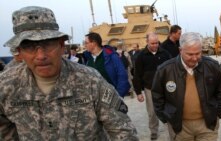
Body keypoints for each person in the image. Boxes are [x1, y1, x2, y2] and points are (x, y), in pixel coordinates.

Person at [0, 6, 138, 140]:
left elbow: (122, 131)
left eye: (47, 44)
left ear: (61, 45)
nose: (41, 55)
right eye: (29, 46)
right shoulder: (6, 86)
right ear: (19, 51)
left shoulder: (90, 81)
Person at [152, 32, 221, 141]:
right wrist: (167, 118)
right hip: (180, 127)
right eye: (190, 54)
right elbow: (157, 96)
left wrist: (217, 115)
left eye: (198, 53)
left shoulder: (212, 67)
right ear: (180, 50)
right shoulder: (165, 70)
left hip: (207, 125)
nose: (194, 58)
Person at [133, 32, 171, 140]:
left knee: (167, 109)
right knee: (152, 112)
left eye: (157, 43)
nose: (155, 45)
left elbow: (172, 69)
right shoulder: (141, 56)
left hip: (165, 88)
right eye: (152, 43)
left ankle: (170, 130)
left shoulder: (165, 54)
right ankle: (154, 131)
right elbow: (137, 75)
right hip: (150, 88)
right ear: (147, 42)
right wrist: (139, 93)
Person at [83, 32, 130, 98]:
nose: (85, 45)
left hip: (112, 97)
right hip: (96, 99)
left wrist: (119, 95)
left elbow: (122, 75)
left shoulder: (111, 56)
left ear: (94, 43)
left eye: (86, 43)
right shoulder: (88, 60)